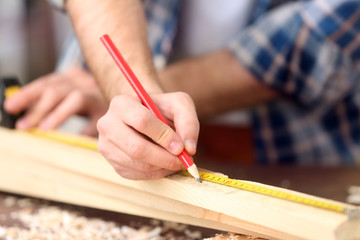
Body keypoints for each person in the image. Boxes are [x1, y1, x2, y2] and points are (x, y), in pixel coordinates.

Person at [5, 0, 360, 180]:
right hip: (101, 134)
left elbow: (306, 46)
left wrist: (116, 91)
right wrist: (127, 93)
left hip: (299, 155)